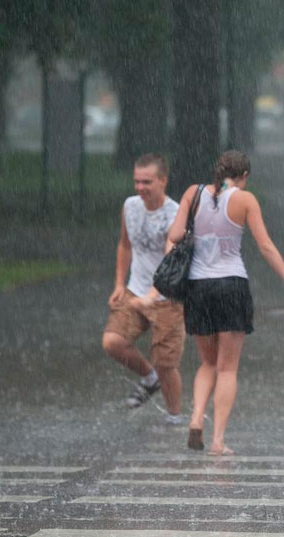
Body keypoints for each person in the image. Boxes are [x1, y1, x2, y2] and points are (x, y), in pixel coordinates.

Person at [168, 150, 284, 456]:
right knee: (227, 368)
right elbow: (265, 246)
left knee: (207, 363)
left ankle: (195, 419)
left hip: (198, 286)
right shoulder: (245, 200)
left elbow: (175, 234)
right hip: (232, 285)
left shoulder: (193, 193)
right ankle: (218, 440)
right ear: (244, 176)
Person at [102, 153, 185, 424]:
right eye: (137, 181)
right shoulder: (130, 206)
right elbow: (125, 245)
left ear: (163, 180)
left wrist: (153, 295)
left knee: (166, 362)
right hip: (135, 289)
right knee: (112, 342)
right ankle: (149, 378)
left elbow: (173, 259)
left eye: (147, 182)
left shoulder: (175, 214)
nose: (140, 188)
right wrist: (118, 283)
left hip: (166, 296)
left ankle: (175, 416)